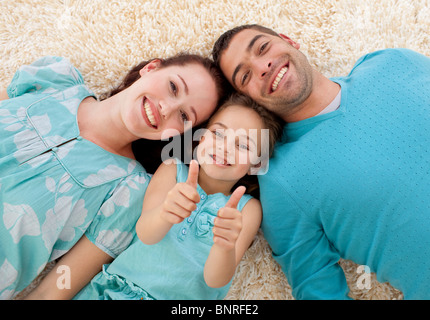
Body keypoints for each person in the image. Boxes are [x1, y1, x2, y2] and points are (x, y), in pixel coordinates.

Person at [212, 24, 430, 299]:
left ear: (289, 40)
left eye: (262, 48)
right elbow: (316, 287)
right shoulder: (281, 181)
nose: (262, 67)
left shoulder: (391, 62)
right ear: (248, 99)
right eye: (245, 76)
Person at [0, 54, 228, 300]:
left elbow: (55, 288)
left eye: (184, 116)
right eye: (173, 87)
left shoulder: (129, 192)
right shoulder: (57, 79)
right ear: (151, 68)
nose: (167, 108)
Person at [28, 93, 283, 299]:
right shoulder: (172, 169)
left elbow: (215, 280)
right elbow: (146, 233)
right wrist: (165, 212)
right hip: (114, 290)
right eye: (218, 133)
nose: (225, 147)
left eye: (244, 145)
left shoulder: (247, 210)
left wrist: (225, 245)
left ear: (255, 164)